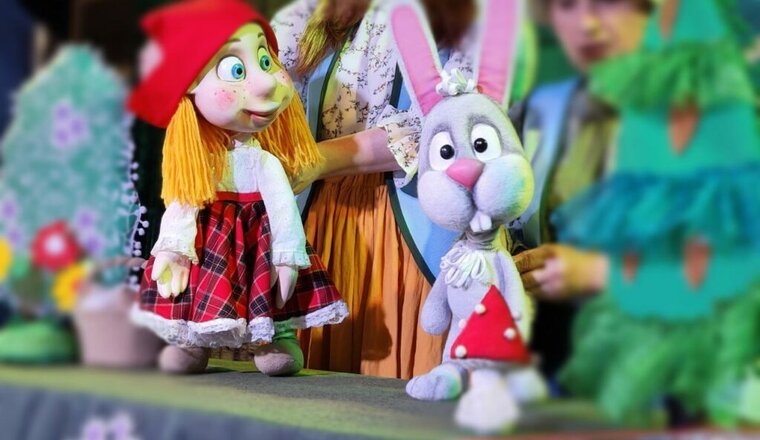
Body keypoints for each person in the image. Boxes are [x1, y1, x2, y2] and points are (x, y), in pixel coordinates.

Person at [127, 0, 347, 375]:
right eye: (235, 69)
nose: (267, 81)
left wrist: (287, 254)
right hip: (209, 243)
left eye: (265, 61)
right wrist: (173, 248)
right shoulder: (197, 160)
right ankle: (192, 342)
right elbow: (183, 204)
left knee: (272, 294)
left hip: (258, 243)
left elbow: (283, 211)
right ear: (190, 87)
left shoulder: (264, 162)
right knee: (199, 292)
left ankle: (278, 337)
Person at [271, 0, 484, 379]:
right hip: (314, 224)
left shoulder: (464, 15)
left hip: (407, 231)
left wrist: (318, 159)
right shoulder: (304, 15)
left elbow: (456, 125)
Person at [507, 0, 652, 382]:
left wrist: (598, 273)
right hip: (541, 355)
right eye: (567, 4)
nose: (585, 23)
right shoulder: (538, 107)